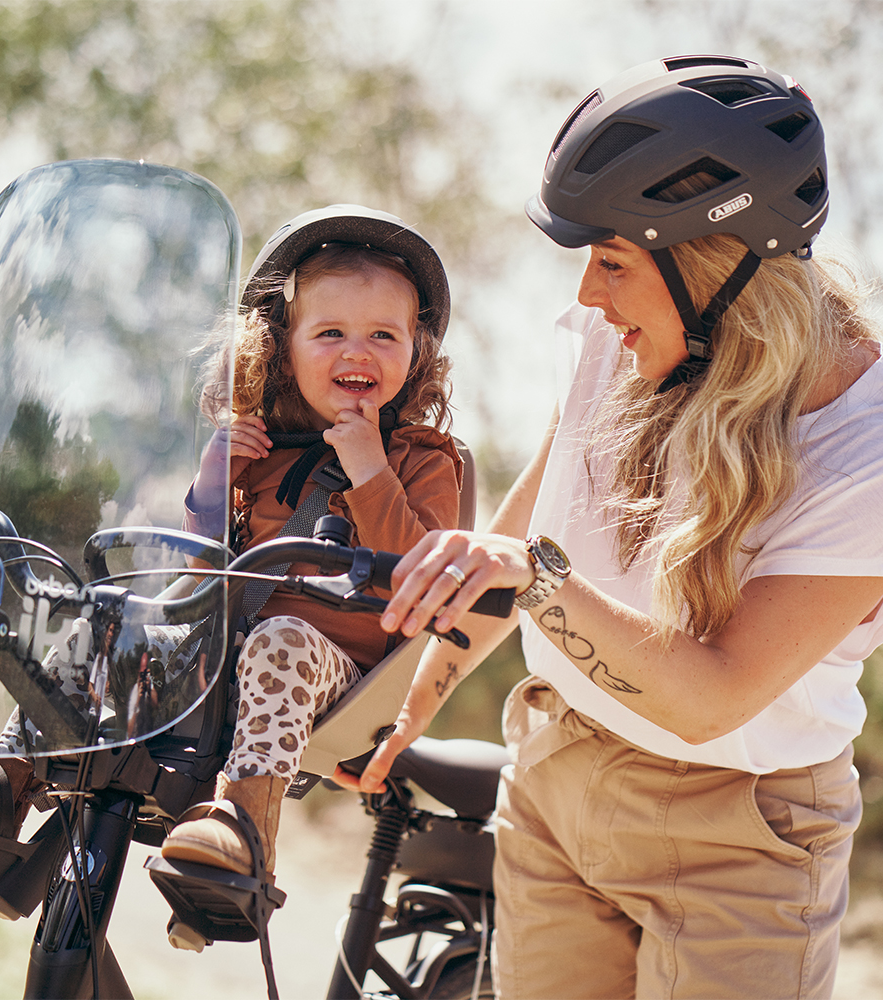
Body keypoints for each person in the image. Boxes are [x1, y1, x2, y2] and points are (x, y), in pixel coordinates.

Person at [336, 56, 883, 999]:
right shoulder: (620, 338)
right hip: (554, 777)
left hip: (742, 842)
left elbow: (711, 696)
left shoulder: (863, 450)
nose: (589, 295)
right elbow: (522, 526)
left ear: (720, 266)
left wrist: (536, 577)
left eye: (615, 261)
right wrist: (411, 700)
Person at [0, 205, 463, 883]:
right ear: (282, 347)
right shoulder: (266, 448)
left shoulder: (423, 457)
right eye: (330, 331)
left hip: (336, 671)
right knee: (109, 617)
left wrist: (370, 470)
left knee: (283, 636)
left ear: (416, 352)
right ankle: (3, 781)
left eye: (383, 335)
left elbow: (422, 577)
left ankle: (244, 820)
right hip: (222, 648)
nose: (356, 351)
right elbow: (204, 575)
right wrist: (217, 479)